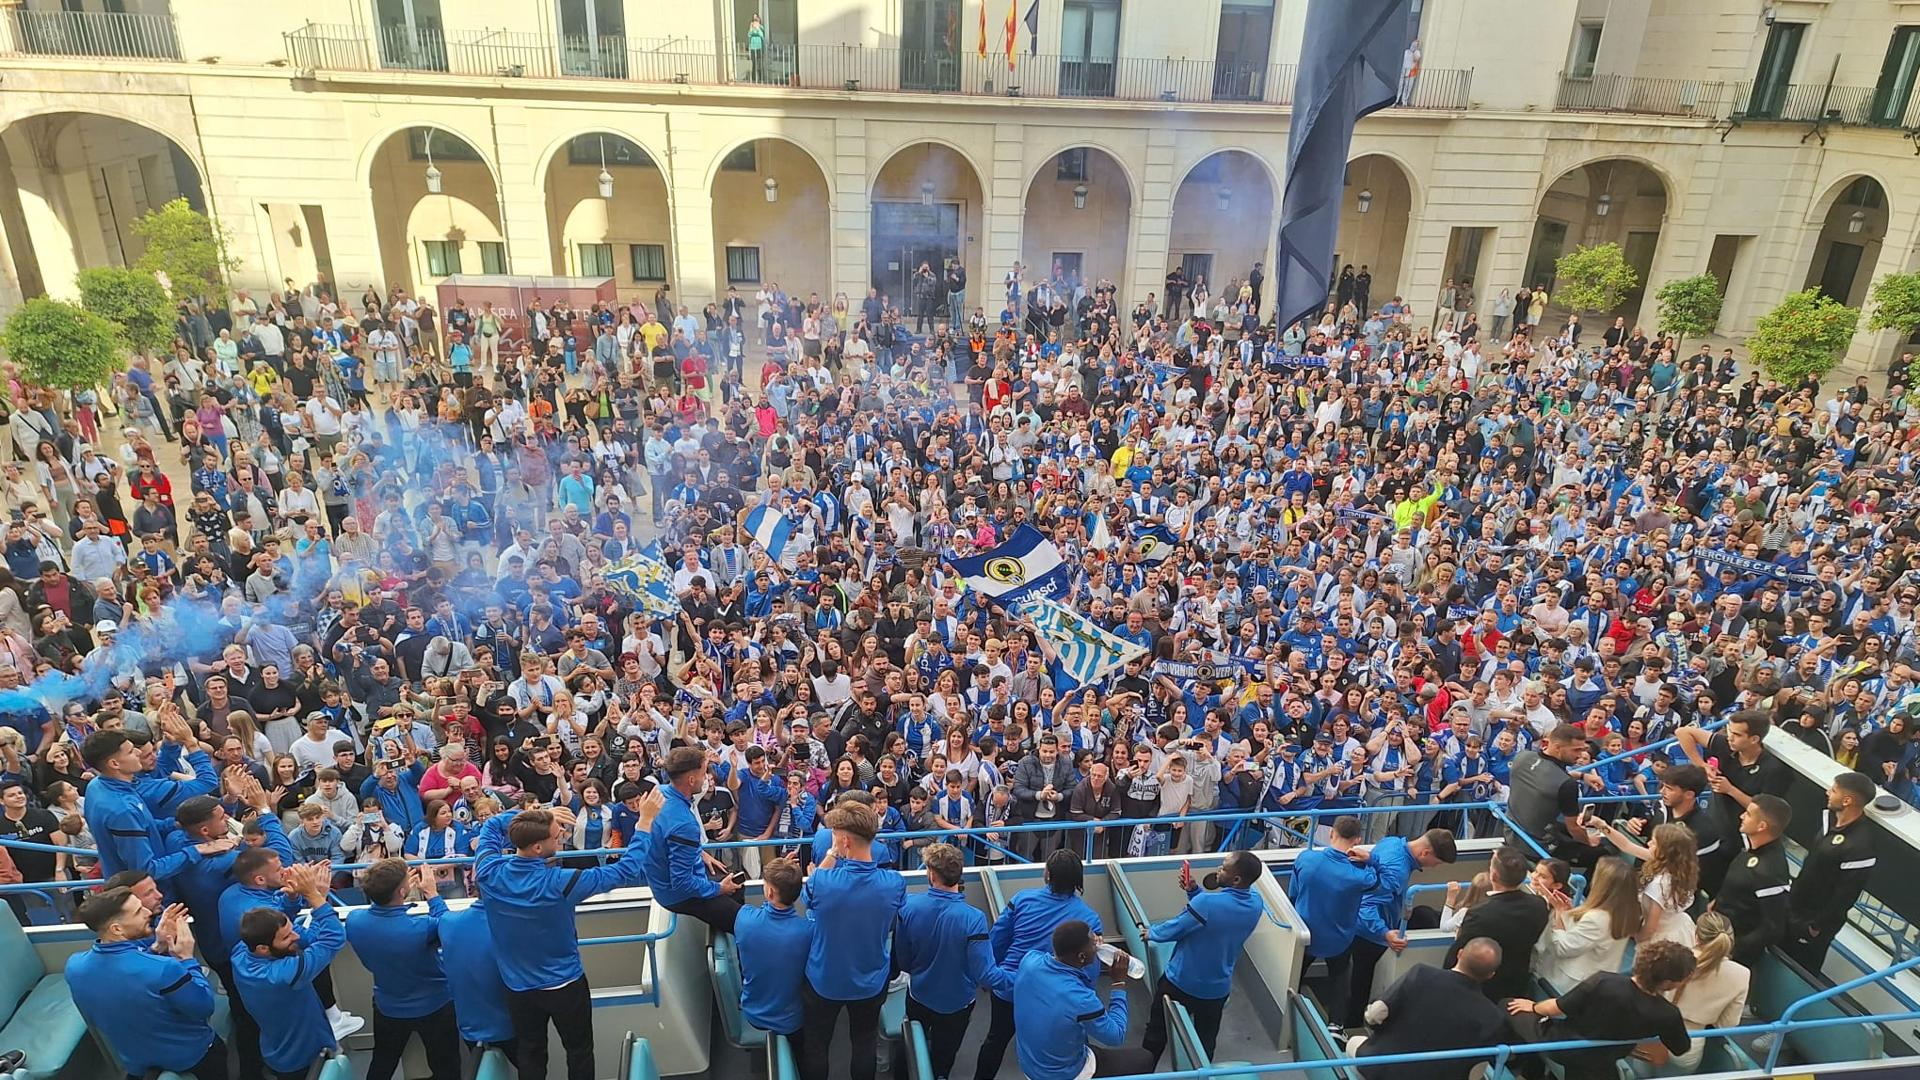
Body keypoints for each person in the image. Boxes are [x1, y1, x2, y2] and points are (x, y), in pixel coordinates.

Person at [472, 791, 663, 1080]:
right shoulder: (562, 882)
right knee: (580, 1051)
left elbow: (491, 826)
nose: (560, 834)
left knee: (530, 1052)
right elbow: (625, 869)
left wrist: (543, 815)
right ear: (538, 848)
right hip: (565, 985)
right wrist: (645, 822)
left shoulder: (487, 872)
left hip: (517, 988)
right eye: (554, 833)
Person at [799, 799, 907, 1080]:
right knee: (864, 1043)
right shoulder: (894, 883)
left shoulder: (823, 881)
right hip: (870, 981)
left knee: (817, 1045)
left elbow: (808, 896)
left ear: (845, 841)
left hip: (825, 981)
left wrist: (830, 856)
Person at [69, 887, 226, 1080]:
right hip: (191, 1057)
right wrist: (186, 959)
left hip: (135, 1061)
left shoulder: (74, 966)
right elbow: (203, 1008)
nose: (148, 913)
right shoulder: (166, 969)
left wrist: (157, 947)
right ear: (116, 929)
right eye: (138, 912)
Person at [973, 850, 1104, 1080]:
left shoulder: (1022, 900)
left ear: (1047, 875)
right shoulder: (1089, 920)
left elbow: (997, 939)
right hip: (1057, 1000)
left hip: (1009, 988)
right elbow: (1089, 971)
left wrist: (992, 976)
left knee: (995, 1040)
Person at [896, 842, 1014, 1080]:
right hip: (957, 1004)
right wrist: (1026, 977)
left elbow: (903, 961)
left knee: (910, 1048)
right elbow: (986, 975)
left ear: (931, 873)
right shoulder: (974, 919)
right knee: (943, 1059)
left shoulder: (908, 907)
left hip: (919, 993)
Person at [1142, 850, 1267, 1063]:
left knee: (1156, 1035)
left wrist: (1150, 933)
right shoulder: (1256, 903)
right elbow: (1213, 915)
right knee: (1205, 1045)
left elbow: (1173, 929)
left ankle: (1144, 1071)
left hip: (1179, 983)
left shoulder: (1207, 904)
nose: (1219, 869)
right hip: (1216, 991)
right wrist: (1194, 891)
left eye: (1224, 868)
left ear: (1236, 879)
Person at [1505, 940, 1695, 1080]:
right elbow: (1681, 1048)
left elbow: (1556, 1007)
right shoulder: (1668, 1014)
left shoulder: (1604, 981)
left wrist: (1533, 1006)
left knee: (1506, 1004)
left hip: (1560, 1046)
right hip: (1601, 1064)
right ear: (1669, 982)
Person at [231, 861, 348, 1080]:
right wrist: (315, 896)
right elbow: (333, 939)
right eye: (286, 937)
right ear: (264, 948)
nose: (295, 937)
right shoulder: (283, 975)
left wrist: (292, 897)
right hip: (304, 1058)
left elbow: (276, 919)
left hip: (277, 1051)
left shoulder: (241, 952)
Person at [345, 858, 460, 1080]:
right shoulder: (421, 928)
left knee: (382, 1063)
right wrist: (432, 894)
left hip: (387, 1006)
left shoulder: (354, 920)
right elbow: (449, 927)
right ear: (401, 891)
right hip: (435, 1007)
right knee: (446, 1068)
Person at [1011, 919, 1153, 1080]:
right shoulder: (1080, 998)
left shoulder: (1029, 960)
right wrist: (1118, 983)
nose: (1098, 945)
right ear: (1082, 956)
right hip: (1063, 1074)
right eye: (1094, 944)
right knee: (1144, 1058)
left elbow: (1068, 961)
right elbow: (1116, 1036)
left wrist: (1090, 945)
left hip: (1030, 1064)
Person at [1353, 937, 1510, 1080]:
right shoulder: (1493, 1017)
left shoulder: (1421, 974)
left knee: (1355, 1042)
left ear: (1459, 954)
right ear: (1491, 975)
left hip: (1381, 1070)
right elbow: (1475, 1073)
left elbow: (1374, 1015)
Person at [1346, 828, 1457, 1028]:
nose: (1435, 867)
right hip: (1369, 934)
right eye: (1437, 862)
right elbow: (1366, 905)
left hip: (1373, 923)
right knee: (1361, 984)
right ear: (1425, 853)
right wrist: (1385, 933)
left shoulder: (1392, 843)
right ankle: (1351, 1026)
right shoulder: (1398, 870)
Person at [1288, 815, 1379, 1025]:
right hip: (1340, 941)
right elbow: (1379, 879)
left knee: (1293, 976)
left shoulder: (1305, 858)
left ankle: (1284, 1015)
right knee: (1340, 981)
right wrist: (1370, 860)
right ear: (1357, 840)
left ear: (1331, 833)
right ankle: (1336, 1026)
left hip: (1305, 934)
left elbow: (1293, 894)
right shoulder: (1360, 876)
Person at [646, 745, 744, 931]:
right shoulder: (685, 825)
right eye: (703, 772)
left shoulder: (659, 792)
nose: (706, 778)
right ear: (691, 780)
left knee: (732, 879)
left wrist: (700, 853)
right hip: (677, 896)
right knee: (743, 922)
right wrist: (718, 890)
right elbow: (682, 883)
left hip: (662, 884)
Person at [1786, 771, 1876, 972]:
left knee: (1801, 967)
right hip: (1795, 905)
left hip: (1812, 921)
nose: (1828, 792)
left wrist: (1816, 925)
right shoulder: (1830, 820)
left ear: (1847, 800)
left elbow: (1846, 895)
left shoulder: (1861, 845)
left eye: (1833, 790)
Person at [1443, 845, 1549, 1002]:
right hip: (1516, 984)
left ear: (1493, 875)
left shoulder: (1478, 914)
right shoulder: (1539, 905)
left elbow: (1457, 955)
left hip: (1480, 990)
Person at [734, 856, 810, 1048]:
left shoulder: (744, 919)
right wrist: (785, 875)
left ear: (769, 892)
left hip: (754, 1015)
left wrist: (781, 873)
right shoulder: (808, 931)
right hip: (792, 1022)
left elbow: (761, 916)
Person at [1535, 856, 1642, 990]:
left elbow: (1562, 948)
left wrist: (1558, 913)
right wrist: (1565, 911)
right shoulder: (1626, 912)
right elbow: (1581, 934)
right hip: (1598, 976)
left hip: (1570, 980)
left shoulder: (1598, 918)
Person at [1711, 793, 1790, 965]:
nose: (1742, 816)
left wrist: (1735, 948)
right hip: (1718, 932)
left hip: (1732, 952)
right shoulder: (1749, 848)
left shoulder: (1770, 869)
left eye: (1747, 814)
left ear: (1762, 826)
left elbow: (1773, 927)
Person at [1504, 724, 1599, 868]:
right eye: (1576, 750)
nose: (1580, 755)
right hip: (1537, 847)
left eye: (1582, 750)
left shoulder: (1522, 757)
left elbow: (1543, 772)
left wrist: (1582, 775)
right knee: (1601, 854)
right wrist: (1589, 841)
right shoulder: (1567, 785)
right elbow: (1574, 829)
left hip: (1510, 833)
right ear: (1557, 747)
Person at [1667, 911, 1750, 1074]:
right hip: (1688, 1048)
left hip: (1652, 1034)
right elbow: (1727, 1024)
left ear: (1696, 936)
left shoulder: (1672, 956)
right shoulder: (1742, 974)